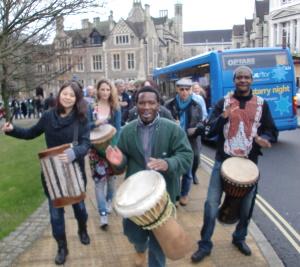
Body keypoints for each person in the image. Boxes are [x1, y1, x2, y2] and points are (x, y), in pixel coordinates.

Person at [191, 66, 278, 262]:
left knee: (246, 208)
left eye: (247, 77)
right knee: (211, 206)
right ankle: (204, 244)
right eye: (240, 77)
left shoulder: (262, 104)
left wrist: (263, 138)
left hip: (249, 166)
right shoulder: (223, 102)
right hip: (222, 163)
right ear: (234, 80)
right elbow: (209, 131)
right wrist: (223, 117)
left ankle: (239, 238)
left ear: (252, 80)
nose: (243, 80)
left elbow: (272, 131)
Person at [2, 81, 91, 265]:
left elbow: (85, 144)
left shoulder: (81, 119)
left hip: (75, 172)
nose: (68, 97)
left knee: (80, 209)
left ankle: (82, 229)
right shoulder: (48, 116)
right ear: (60, 95)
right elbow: (31, 133)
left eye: (72, 95)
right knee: (56, 214)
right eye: (65, 93)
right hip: (52, 175)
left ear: (77, 99)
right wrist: (13, 130)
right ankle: (62, 247)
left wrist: (74, 152)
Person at [106, 86, 193, 267]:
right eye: (142, 103)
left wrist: (168, 163)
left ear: (159, 105)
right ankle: (139, 248)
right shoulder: (128, 130)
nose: (147, 107)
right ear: (135, 105)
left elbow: (186, 157)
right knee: (134, 235)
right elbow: (122, 165)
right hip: (135, 196)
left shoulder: (172, 129)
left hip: (163, 195)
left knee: (159, 245)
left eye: (151, 103)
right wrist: (118, 162)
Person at [87, 79, 121, 228]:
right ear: (98, 90)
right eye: (102, 89)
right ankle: (103, 214)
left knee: (112, 180)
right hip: (95, 152)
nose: (105, 92)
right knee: (98, 183)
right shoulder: (91, 107)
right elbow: (84, 127)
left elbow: (118, 130)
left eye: (108, 89)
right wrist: (95, 123)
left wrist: (112, 149)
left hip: (111, 150)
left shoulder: (115, 109)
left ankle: (109, 201)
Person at [165, 78, 203, 206]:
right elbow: (162, 122)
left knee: (188, 171)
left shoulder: (195, 105)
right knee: (174, 171)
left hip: (190, 141)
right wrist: (171, 124)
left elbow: (200, 121)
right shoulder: (169, 105)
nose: (185, 92)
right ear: (177, 89)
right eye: (182, 89)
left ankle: (184, 194)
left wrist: (196, 129)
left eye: (187, 89)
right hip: (173, 142)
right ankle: (175, 194)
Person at [190, 82, 208, 185]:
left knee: (196, 156)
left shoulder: (199, 99)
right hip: (184, 132)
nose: (185, 91)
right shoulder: (177, 101)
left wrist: (198, 126)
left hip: (196, 131)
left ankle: (194, 173)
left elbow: (204, 113)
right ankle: (188, 175)